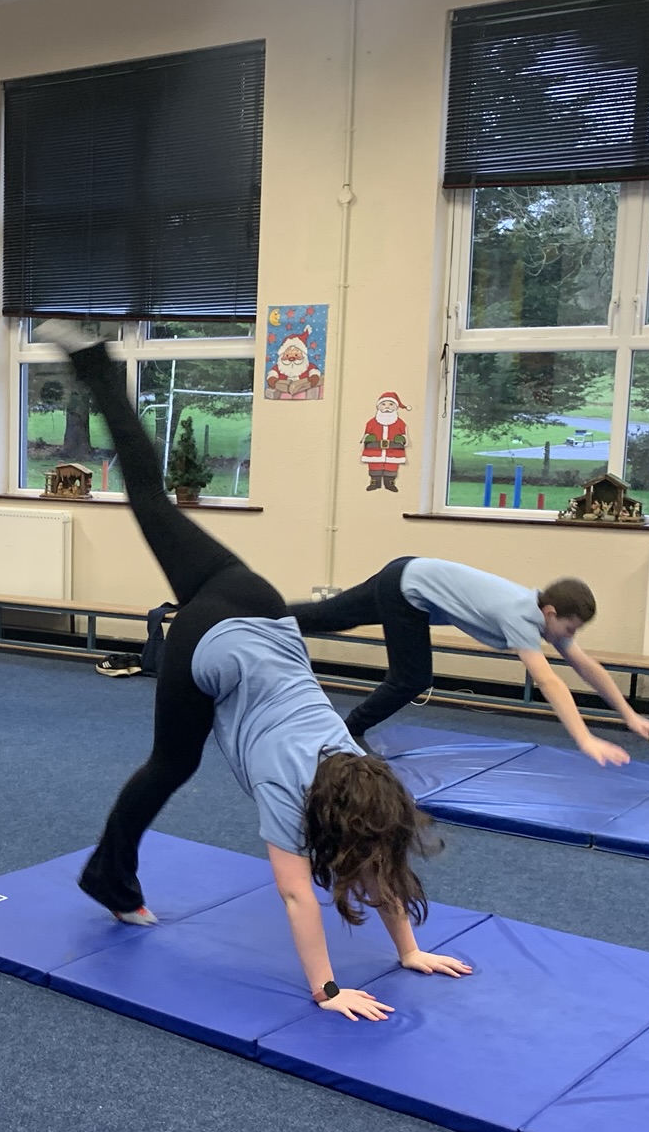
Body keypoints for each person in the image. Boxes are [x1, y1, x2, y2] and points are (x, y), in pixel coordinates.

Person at [40, 324, 468, 1021]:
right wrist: (327, 991)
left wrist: (409, 950)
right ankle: (107, 878)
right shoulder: (289, 797)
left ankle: (95, 365)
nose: (372, 866)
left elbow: (381, 863)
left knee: (150, 500)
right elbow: (297, 895)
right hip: (208, 646)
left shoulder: (358, 766)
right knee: (172, 763)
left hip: (257, 603)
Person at [288, 560, 649, 760]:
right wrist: (585, 738)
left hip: (409, 574)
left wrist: (630, 716)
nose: (569, 637)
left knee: (332, 617)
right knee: (412, 678)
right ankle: (348, 730)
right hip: (407, 587)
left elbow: (585, 666)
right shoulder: (520, 615)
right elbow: (549, 681)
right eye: (570, 628)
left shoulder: (540, 613)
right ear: (551, 613)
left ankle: (263, 616)